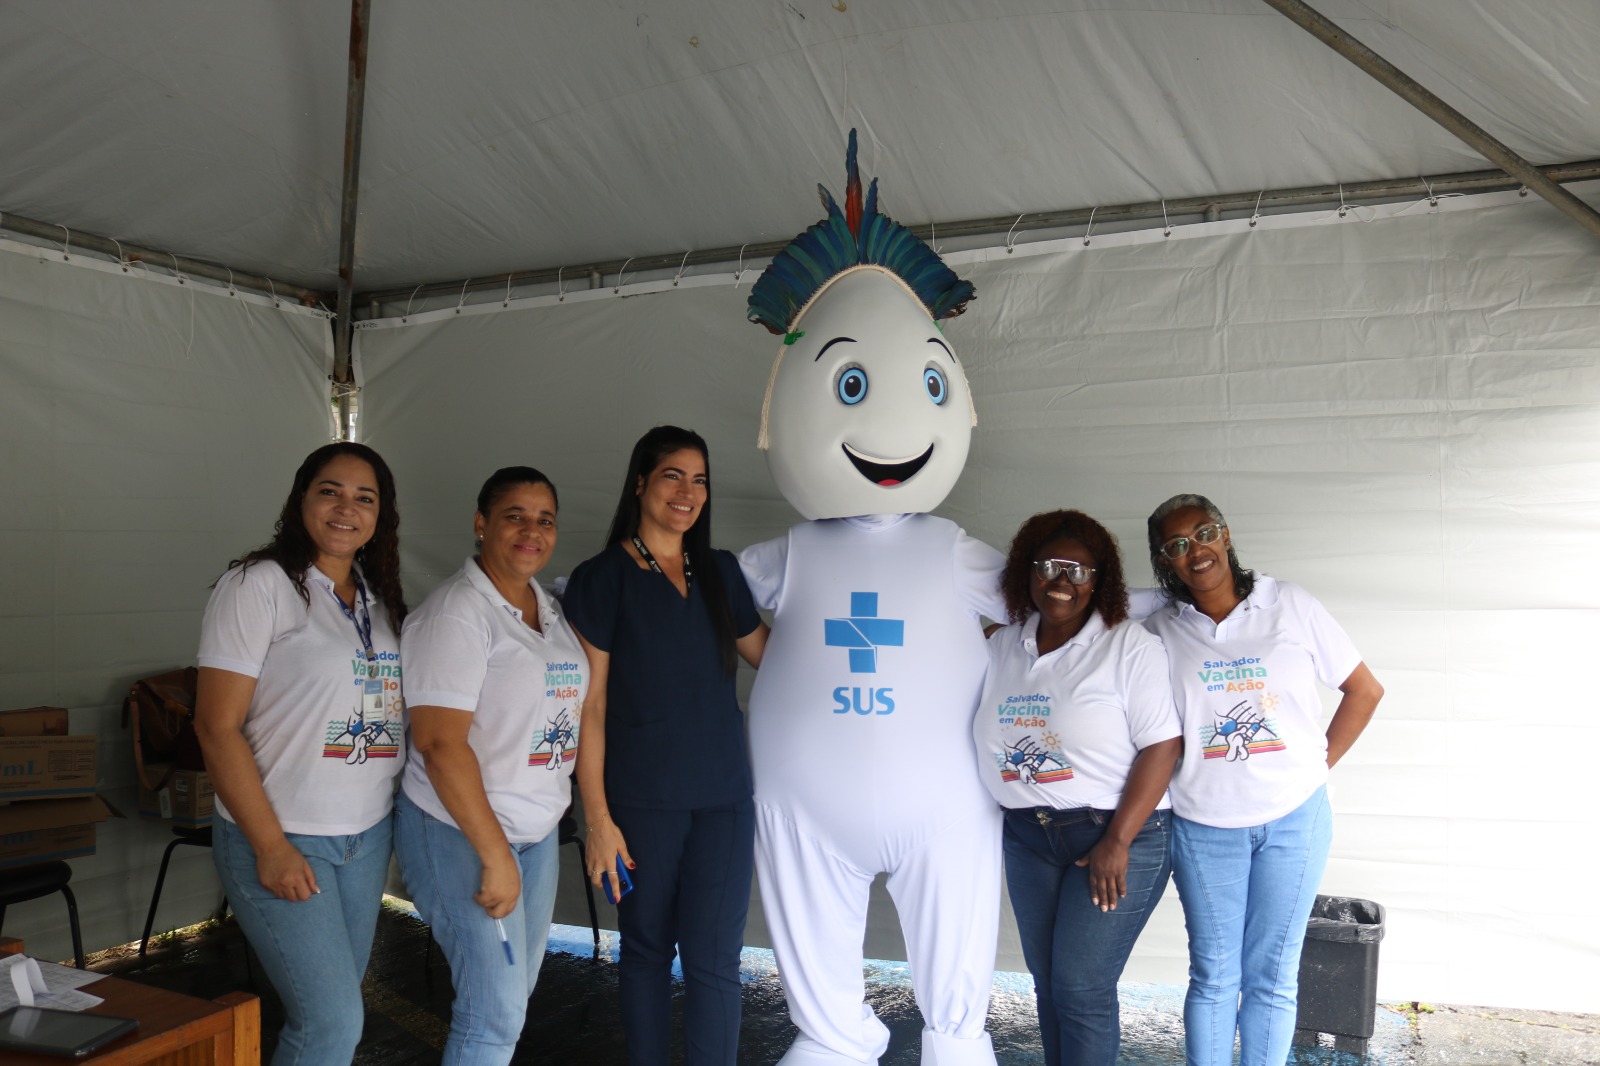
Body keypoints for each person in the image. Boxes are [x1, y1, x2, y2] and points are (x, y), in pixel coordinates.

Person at [1142, 494, 1384, 1066]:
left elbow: (1364, 690)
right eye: (1177, 544)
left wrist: (1315, 767)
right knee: (1214, 976)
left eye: (1205, 533)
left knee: (1273, 975)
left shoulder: (1289, 605)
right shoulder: (1158, 630)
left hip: (1295, 820)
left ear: (1225, 535)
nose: (1196, 550)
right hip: (1203, 825)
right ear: (1164, 560)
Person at [194, 442, 406, 1066]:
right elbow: (215, 727)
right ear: (300, 499)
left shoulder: (377, 595)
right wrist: (270, 846)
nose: (346, 508)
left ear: (381, 516)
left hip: (365, 836)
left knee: (334, 1019)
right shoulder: (259, 585)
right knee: (330, 1025)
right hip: (283, 834)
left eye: (364, 498)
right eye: (330, 491)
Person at [563, 426, 768, 1066]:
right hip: (640, 806)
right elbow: (590, 707)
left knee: (716, 962)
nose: (688, 491)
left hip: (724, 802)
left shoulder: (720, 572)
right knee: (648, 953)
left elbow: (776, 661)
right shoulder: (603, 578)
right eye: (672, 475)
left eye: (699, 479)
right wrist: (598, 820)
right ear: (640, 483)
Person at [393, 466, 588, 1066]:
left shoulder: (547, 610)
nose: (532, 531)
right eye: (515, 516)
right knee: (493, 1017)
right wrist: (496, 855)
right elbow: (439, 744)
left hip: (534, 834)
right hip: (463, 834)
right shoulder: (457, 613)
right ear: (481, 524)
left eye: (545, 520)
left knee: (509, 1003)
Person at [973, 510, 1180, 1066]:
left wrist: (1117, 841)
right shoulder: (1001, 647)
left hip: (1114, 835)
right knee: (1048, 984)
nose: (1062, 581)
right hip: (1028, 837)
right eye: (1049, 566)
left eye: (1080, 571)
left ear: (1099, 582)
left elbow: (1163, 745)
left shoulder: (1128, 646)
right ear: (1026, 570)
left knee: (1081, 990)